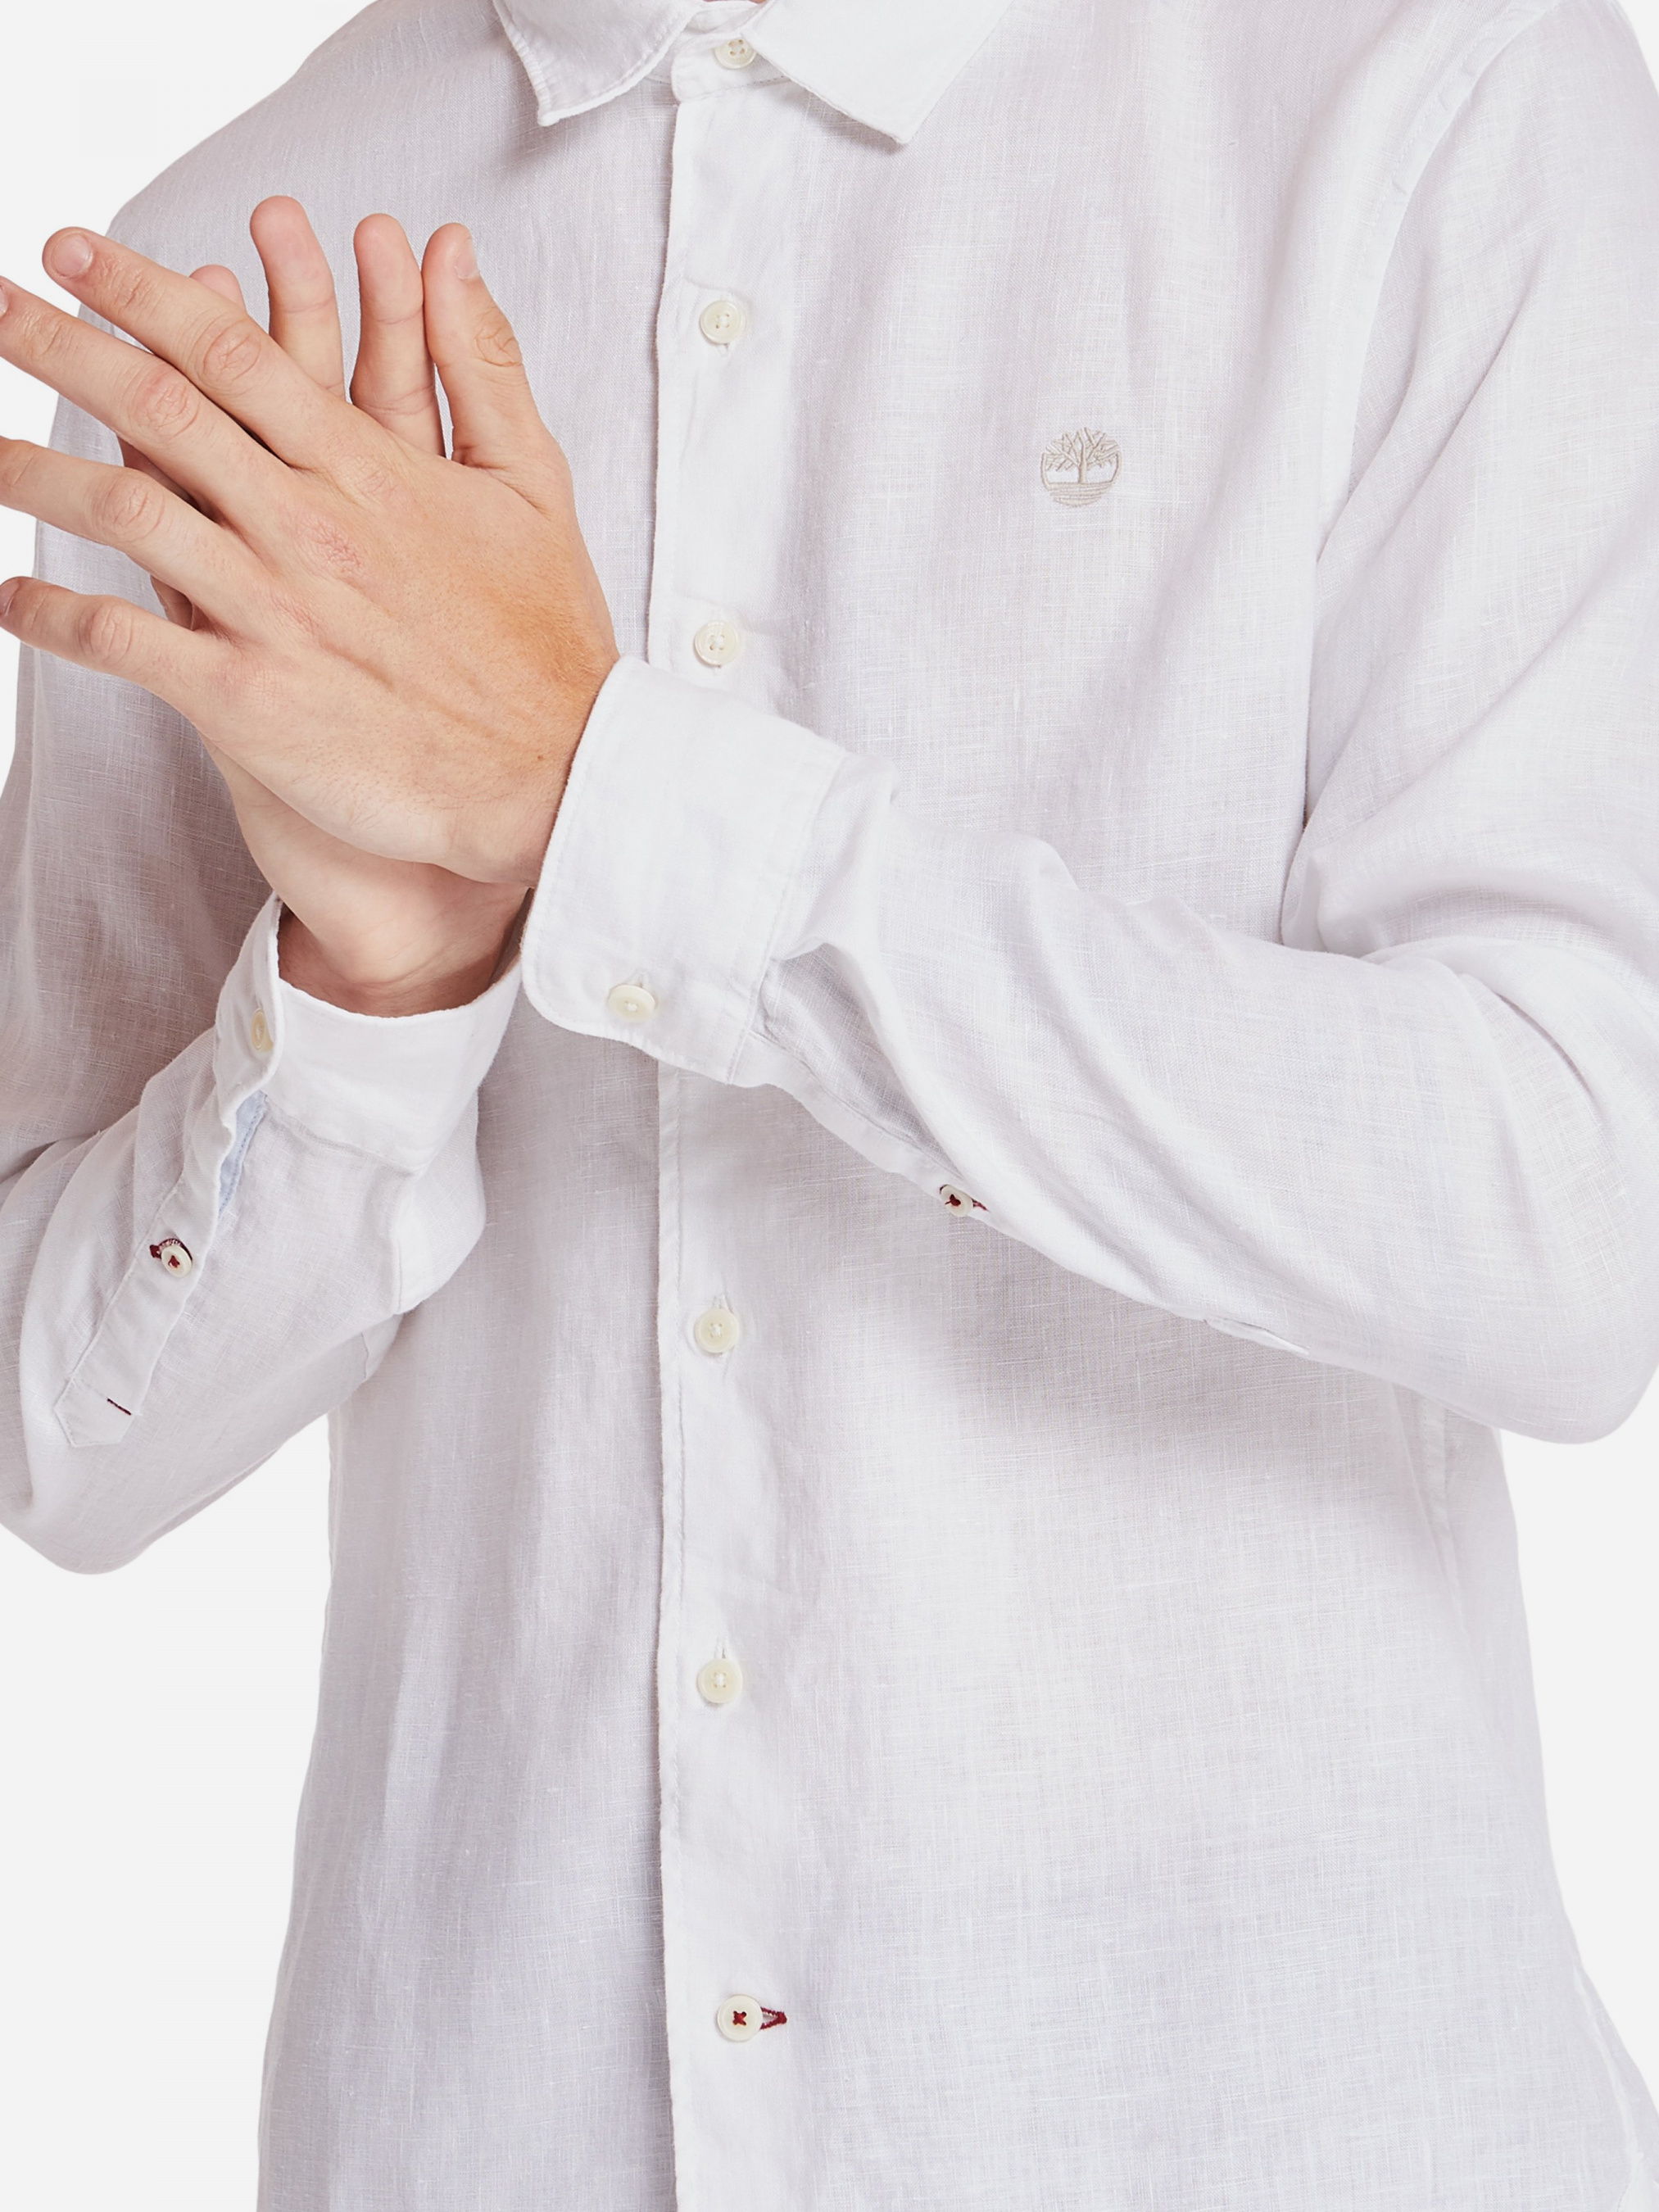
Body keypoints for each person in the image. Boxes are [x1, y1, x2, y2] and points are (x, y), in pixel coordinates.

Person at [2, 0, 1659, 2202]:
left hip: (1260, 2118)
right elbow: (70, 1442)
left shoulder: (1431, 90)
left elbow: (1567, 1210)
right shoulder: (237, 266)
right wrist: (372, 996)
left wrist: (616, 806)